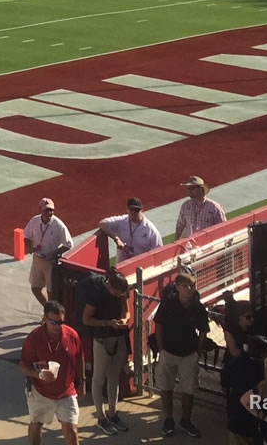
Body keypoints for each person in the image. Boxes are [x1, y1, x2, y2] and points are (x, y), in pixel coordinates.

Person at [152, 269, 210, 438]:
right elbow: (159, 326)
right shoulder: (168, 304)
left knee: (188, 390)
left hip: (189, 354)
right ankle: (168, 419)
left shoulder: (198, 308)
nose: (189, 289)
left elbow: (203, 331)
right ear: (177, 287)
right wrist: (161, 349)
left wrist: (197, 352)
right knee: (166, 388)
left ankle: (186, 420)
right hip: (168, 352)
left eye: (192, 285)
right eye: (185, 286)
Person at [19, 301, 85, 445]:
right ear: (44, 319)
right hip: (40, 392)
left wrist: (82, 382)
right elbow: (24, 366)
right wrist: (39, 375)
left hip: (66, 391)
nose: (58, 326)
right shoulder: (34, 339)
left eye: (61, 322)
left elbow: (80, 358)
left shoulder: (71, 336)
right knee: (36, 425)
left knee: (71, 431)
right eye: (53, 322)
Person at [81, 269, 131, 434]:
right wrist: (107, 323)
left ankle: (112, 412)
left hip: (118, 338)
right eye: (117, 294)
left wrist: (124, 319)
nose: (119, 296)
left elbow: (127, 311)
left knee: (114, 377)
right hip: (102, 340)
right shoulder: (97, 293)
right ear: (110, 286)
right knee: (99, 378)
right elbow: (86, 319)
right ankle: (101, 417)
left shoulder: (122, 292)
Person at [24, 197, 72, 305]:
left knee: (51, 292)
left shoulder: (58, 225)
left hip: (51, 262)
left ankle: (49, 315)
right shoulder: (34, 221)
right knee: (35, 288)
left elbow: (68, 244)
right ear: (40, 209)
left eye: (51, 210)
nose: (49, 213)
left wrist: (53, 254)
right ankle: (48, 310)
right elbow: (26, 235)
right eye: (46, 210)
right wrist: (29, 247)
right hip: (37, 259)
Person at [97, 197, 162, 263]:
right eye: (131, 210)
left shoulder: (150, 229)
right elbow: (102, 223)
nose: (133, 213)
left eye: (136, 210)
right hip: (122, 265)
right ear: (127, 209)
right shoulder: (121, 221)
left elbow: (158, 251)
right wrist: (116, 239)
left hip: (141, 266)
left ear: (142, 210)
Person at [175, 175, 226, 242]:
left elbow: (223, 228)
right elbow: (180, 224)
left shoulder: (215, 208)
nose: (190, 191)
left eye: (193, 188)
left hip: (209, 245)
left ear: (201, 189)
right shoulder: (185, 206)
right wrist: (176, 241)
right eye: (188, 189)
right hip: (192, 246)